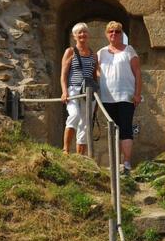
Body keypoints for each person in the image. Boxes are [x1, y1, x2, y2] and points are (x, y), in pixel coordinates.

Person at [98, 21, 142, 175]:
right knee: (112, 130)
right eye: (111, 31)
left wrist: (137, 94)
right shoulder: (101, 53)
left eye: (117, 31)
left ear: (121, 34)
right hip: (106, 97)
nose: (114, 34)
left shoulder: (129, 50)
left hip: (126, 96)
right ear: (106, 34)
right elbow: (96, 72)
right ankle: (114, 163)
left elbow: (137, 72)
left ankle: (127, 162)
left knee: (125, 129)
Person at [60, 22, 98, 155]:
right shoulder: (70, 51)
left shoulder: (93, 55)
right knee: (74, 115)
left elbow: (94, 76)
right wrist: (64, 91)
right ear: (74, 35)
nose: (82, 34)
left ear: (88, 35)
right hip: (73, 90)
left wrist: (96, 97)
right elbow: (63, 74)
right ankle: (66, 149)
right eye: (79, 32)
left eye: (85, 32)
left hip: (89, 92)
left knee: (85, 123)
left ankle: (80, 156)